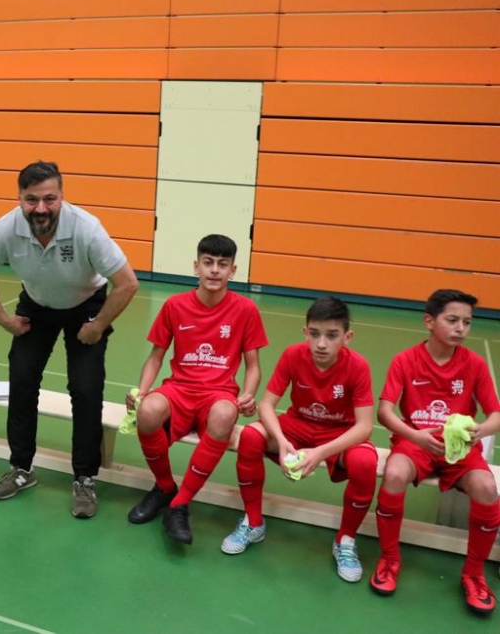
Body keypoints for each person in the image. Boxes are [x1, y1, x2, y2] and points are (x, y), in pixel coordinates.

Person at [0, 160, 138, 518]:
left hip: (85, 304)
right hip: (37, 304)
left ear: (62, 196)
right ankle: (21, 468)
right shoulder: (7, 228)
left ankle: (85, 478)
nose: (41, 208)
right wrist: (2, 318)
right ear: (20, 198)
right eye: (31, 200)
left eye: (50, 199)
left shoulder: (86, 228)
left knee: (85, 387)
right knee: (22, 378)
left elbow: (127, 283)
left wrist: (98, 325)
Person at [220, 296, 377, 583]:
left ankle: (345, 540)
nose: (321, 344)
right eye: (314, 334)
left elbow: (365, 426)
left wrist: (320, 452)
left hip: (338, 432)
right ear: (305, 332)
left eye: (332, 336)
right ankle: (253, 522)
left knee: (366, 462)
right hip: (297, 425)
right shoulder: (293, 355)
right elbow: (267, 405)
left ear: (347, 337)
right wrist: (281, 441)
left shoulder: (358, 366)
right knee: (251, 436)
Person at [126, 234, 267, 545]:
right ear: (196, 266)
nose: (214, 270)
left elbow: (253, 366)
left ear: (233, 270)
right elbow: (156, 355)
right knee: (148, 411)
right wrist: (141, 391)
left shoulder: (245, 310)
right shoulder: (174, 305)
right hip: (179, 389)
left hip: (218, 393)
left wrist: (247, 394)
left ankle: (179, 504)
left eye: (222, 264)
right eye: (208, 262)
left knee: (225, 414)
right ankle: (165, 487)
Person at [370, 289, 500, 615]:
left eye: (467, 322)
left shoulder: (474, 364)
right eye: (452, 320)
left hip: (459, 449)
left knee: (487, 488)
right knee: (394, 474)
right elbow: (384, 411)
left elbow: (496, 415)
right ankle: (389, 559)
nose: (461, 328)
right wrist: (415, 435)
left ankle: (473, 574)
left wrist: (480, 430)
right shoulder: (405, 360)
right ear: (429, 321)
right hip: (416, 442)